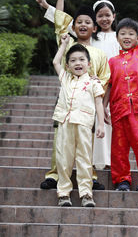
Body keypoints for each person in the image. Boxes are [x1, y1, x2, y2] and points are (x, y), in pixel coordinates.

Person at [36, 0, 120, 170]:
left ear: (114, 16)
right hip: (75, 92)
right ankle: (61, 172)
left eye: (108, 15)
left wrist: (103, 96)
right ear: (95, 21)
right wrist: (52, 1)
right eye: (100, 15)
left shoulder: (119, 37)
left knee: (100, 130)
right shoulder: (87, 37)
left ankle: (98, 167)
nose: (104, 18)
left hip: (103, 91)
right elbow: (61, 21)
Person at [103, 0, 138, 192]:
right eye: (123, 33)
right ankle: (121, 180)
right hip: (118, 109)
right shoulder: (112, 61)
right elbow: (109, 85)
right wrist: (103, 106)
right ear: (117, 37)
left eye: (131, 33)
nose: (127, 37)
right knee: (119, 148)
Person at [53, 40, 105, 207]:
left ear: (89, 64)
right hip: (65, 122)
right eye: (73, 60)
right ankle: (63, 193)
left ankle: (86, 194)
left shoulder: (94, 82)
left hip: (84, 124)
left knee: (84, 159)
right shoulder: (65, 78)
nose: (78, 63)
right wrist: (63, 45)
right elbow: (55, 61)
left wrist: (102, 125)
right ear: (67, 66)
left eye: (82, 60)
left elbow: (99, 104)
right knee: (63, 159)